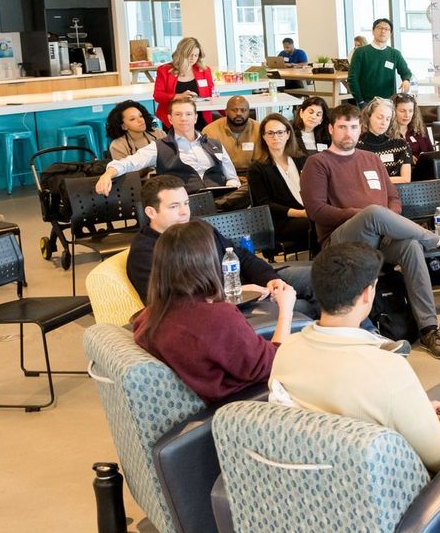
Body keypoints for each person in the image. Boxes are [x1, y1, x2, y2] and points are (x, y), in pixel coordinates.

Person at [301, 103, 440, 359]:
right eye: (343, 127)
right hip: (339, 243)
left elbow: (393, 198)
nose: (349, 133)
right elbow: (317, 211)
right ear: (331, 129)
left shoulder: (370, 159)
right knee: (374, 212)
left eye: (354, 127)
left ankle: (429, 328)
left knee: (411, 246)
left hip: (380, 240)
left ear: (360, 129)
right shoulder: (318, 163)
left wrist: (384, 218)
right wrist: (368, 216)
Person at [268, 242, 440, 472]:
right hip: (394, 485)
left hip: (326, 479)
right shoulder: (387, 368)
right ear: (368, 294)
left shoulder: (285, 351)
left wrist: (420, 408)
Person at [131, 219, 296, 406]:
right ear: (207, 263)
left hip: (209, 403)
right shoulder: (217, 319)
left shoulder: (148, 316)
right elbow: (274, 364)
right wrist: (286, 310)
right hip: (246, 405)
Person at [125, 174, 315, 313]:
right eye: (174, 206)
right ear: (151, 212)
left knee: (319, 279)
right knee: (302, 306)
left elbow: (240, 255)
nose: (184, 212)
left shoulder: (198, 226)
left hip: (247, 287)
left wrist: (270, 279)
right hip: (223, 308)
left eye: (186, 203)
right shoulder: (145, 252)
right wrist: (233, 294)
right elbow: (170, 303)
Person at [95, 94, 250, 212]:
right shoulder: (160, 146)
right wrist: (108, 174)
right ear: (169, 118)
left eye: (188, 114)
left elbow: (231, 177)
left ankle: (216, 206)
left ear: (195, 117)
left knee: (253, 184)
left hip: (223, 198)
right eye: (178, 114)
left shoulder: (214, 144)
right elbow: (130, 162)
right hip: (186, 203)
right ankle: (213, 207)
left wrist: (230, 188)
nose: (184, 119)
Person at [247, 112, 313, 255]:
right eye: (270, 133)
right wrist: (301, 213)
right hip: (280, 221)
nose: (275, 137)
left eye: (280, 132)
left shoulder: (301, 159)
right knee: (317, 224)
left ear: (288, 134)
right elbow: (264, 204)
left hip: (308, 213)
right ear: (263, 136)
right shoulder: (257, 168)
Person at [151, 36, 215, 128]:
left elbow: (211, 94)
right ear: (181, 54)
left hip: (199, 117)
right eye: (190, 55)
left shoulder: (204, 70)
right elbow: (158, 96)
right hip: (174, 119)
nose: (193, 58)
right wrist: (178, 96)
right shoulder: (165, 70)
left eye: (196, 55)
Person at [347, 17, 412, 104]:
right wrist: (360, 100)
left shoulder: (395, 54)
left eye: (386, 29)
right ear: (373, 31)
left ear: (390, 34)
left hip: (388, 102)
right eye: (379, 28)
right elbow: (352, 78)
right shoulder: (361, 52)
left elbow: (406, 72)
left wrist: (406, 80)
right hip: (366, 102)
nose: (383, 31)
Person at [356, 97, 413, 185]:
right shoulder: (356, 146)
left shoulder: (401, 144)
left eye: (388, 119)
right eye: (380, 117)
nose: (384, 123)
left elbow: (405, 179)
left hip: (397, 194)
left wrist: (375, 181)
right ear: (369, 116)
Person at [201, 95, 261, 176]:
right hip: (222, 175)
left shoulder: (259, 129)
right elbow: (208, 163)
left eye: (243, 110)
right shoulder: (210, 131)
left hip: (252, 175)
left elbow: (262, 162)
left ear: (248, 112)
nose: (239, 113)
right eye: (234, 110)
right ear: (226, 111)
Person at [392, 93, 436, 174]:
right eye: (402, 111)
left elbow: (430, 153)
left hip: (422, 172)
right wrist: (406, 158)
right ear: (393, 111)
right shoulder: (386, 132)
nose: (407, 115)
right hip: (398, 174)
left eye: (410, 111)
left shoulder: (420, 128)